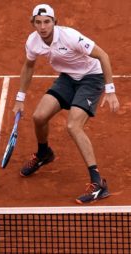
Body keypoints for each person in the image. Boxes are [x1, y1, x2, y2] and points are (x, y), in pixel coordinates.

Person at [12, 4, 120, 204]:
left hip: (91, 78)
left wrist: (110, 90)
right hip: (68, 78)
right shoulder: (33, 41)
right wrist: (20, 98)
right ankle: (44, 153)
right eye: (38, 22)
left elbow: (103, 55)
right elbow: (28, 66)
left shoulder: (70, 36)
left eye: (47, 22)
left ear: (55, 22)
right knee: (39, 117)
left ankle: (99, 183)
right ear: (33, 23)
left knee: (73, 125)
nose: (43, 26)